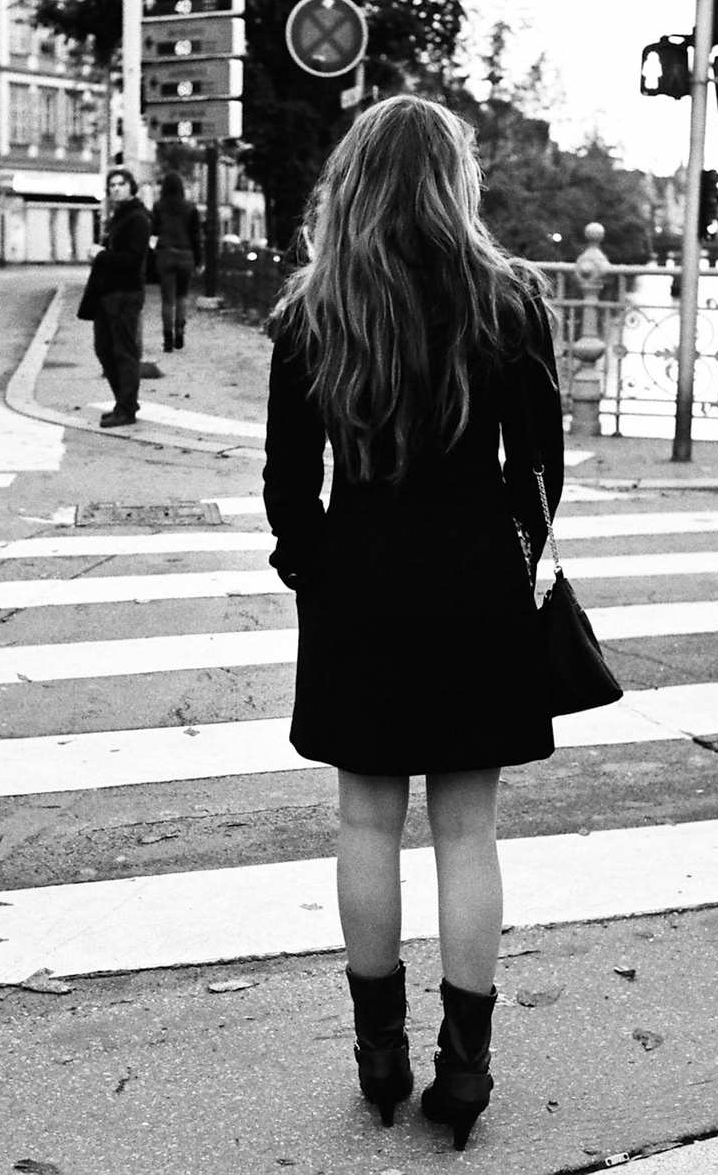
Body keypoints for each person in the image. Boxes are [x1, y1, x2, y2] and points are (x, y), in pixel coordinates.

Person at [262, 95, 563, 1150]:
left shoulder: (315, 310)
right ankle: (466, 1069)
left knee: (366, 824)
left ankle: (379, 1055)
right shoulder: (509, 300)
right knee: (468, 831)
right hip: (477, 581)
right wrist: (511, 562)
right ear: (454, 184)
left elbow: (289, 484)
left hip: (359, 582)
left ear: (352, 184)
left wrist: (314, 567)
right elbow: (539, 469)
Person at [82, 168, 151, 428]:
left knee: (124, 352)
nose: (116, 188)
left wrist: (101, 255)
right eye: (112, 185)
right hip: (107, 293)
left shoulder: (138, 218)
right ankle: (125, 401)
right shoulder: (117, 216)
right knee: (104, 349)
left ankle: (126, 409)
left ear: (131, 187)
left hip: (124, 293)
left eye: (121, 184)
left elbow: (133, 260)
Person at [150, 173, 203, 352]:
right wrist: (199, 260)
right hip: (185, 255)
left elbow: (154, 231)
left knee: (167, 300)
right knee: (182, 296)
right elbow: (196, 236)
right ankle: (180, 331)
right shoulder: (190, 208)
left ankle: (167, 339)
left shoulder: (158, 207)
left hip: (166, 254)